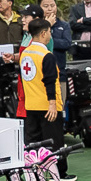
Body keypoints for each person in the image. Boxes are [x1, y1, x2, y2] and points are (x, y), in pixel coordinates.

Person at [14, 14, 68, 166]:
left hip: (31, 105)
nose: (50, 35)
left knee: (34, 142)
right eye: (50, 32)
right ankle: (58, 171)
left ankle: (35, 169)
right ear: (43, 33)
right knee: (54, 141)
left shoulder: (25, 53)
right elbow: (49, 81)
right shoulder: (46, 55)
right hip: (47, 106)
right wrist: (52, 103)